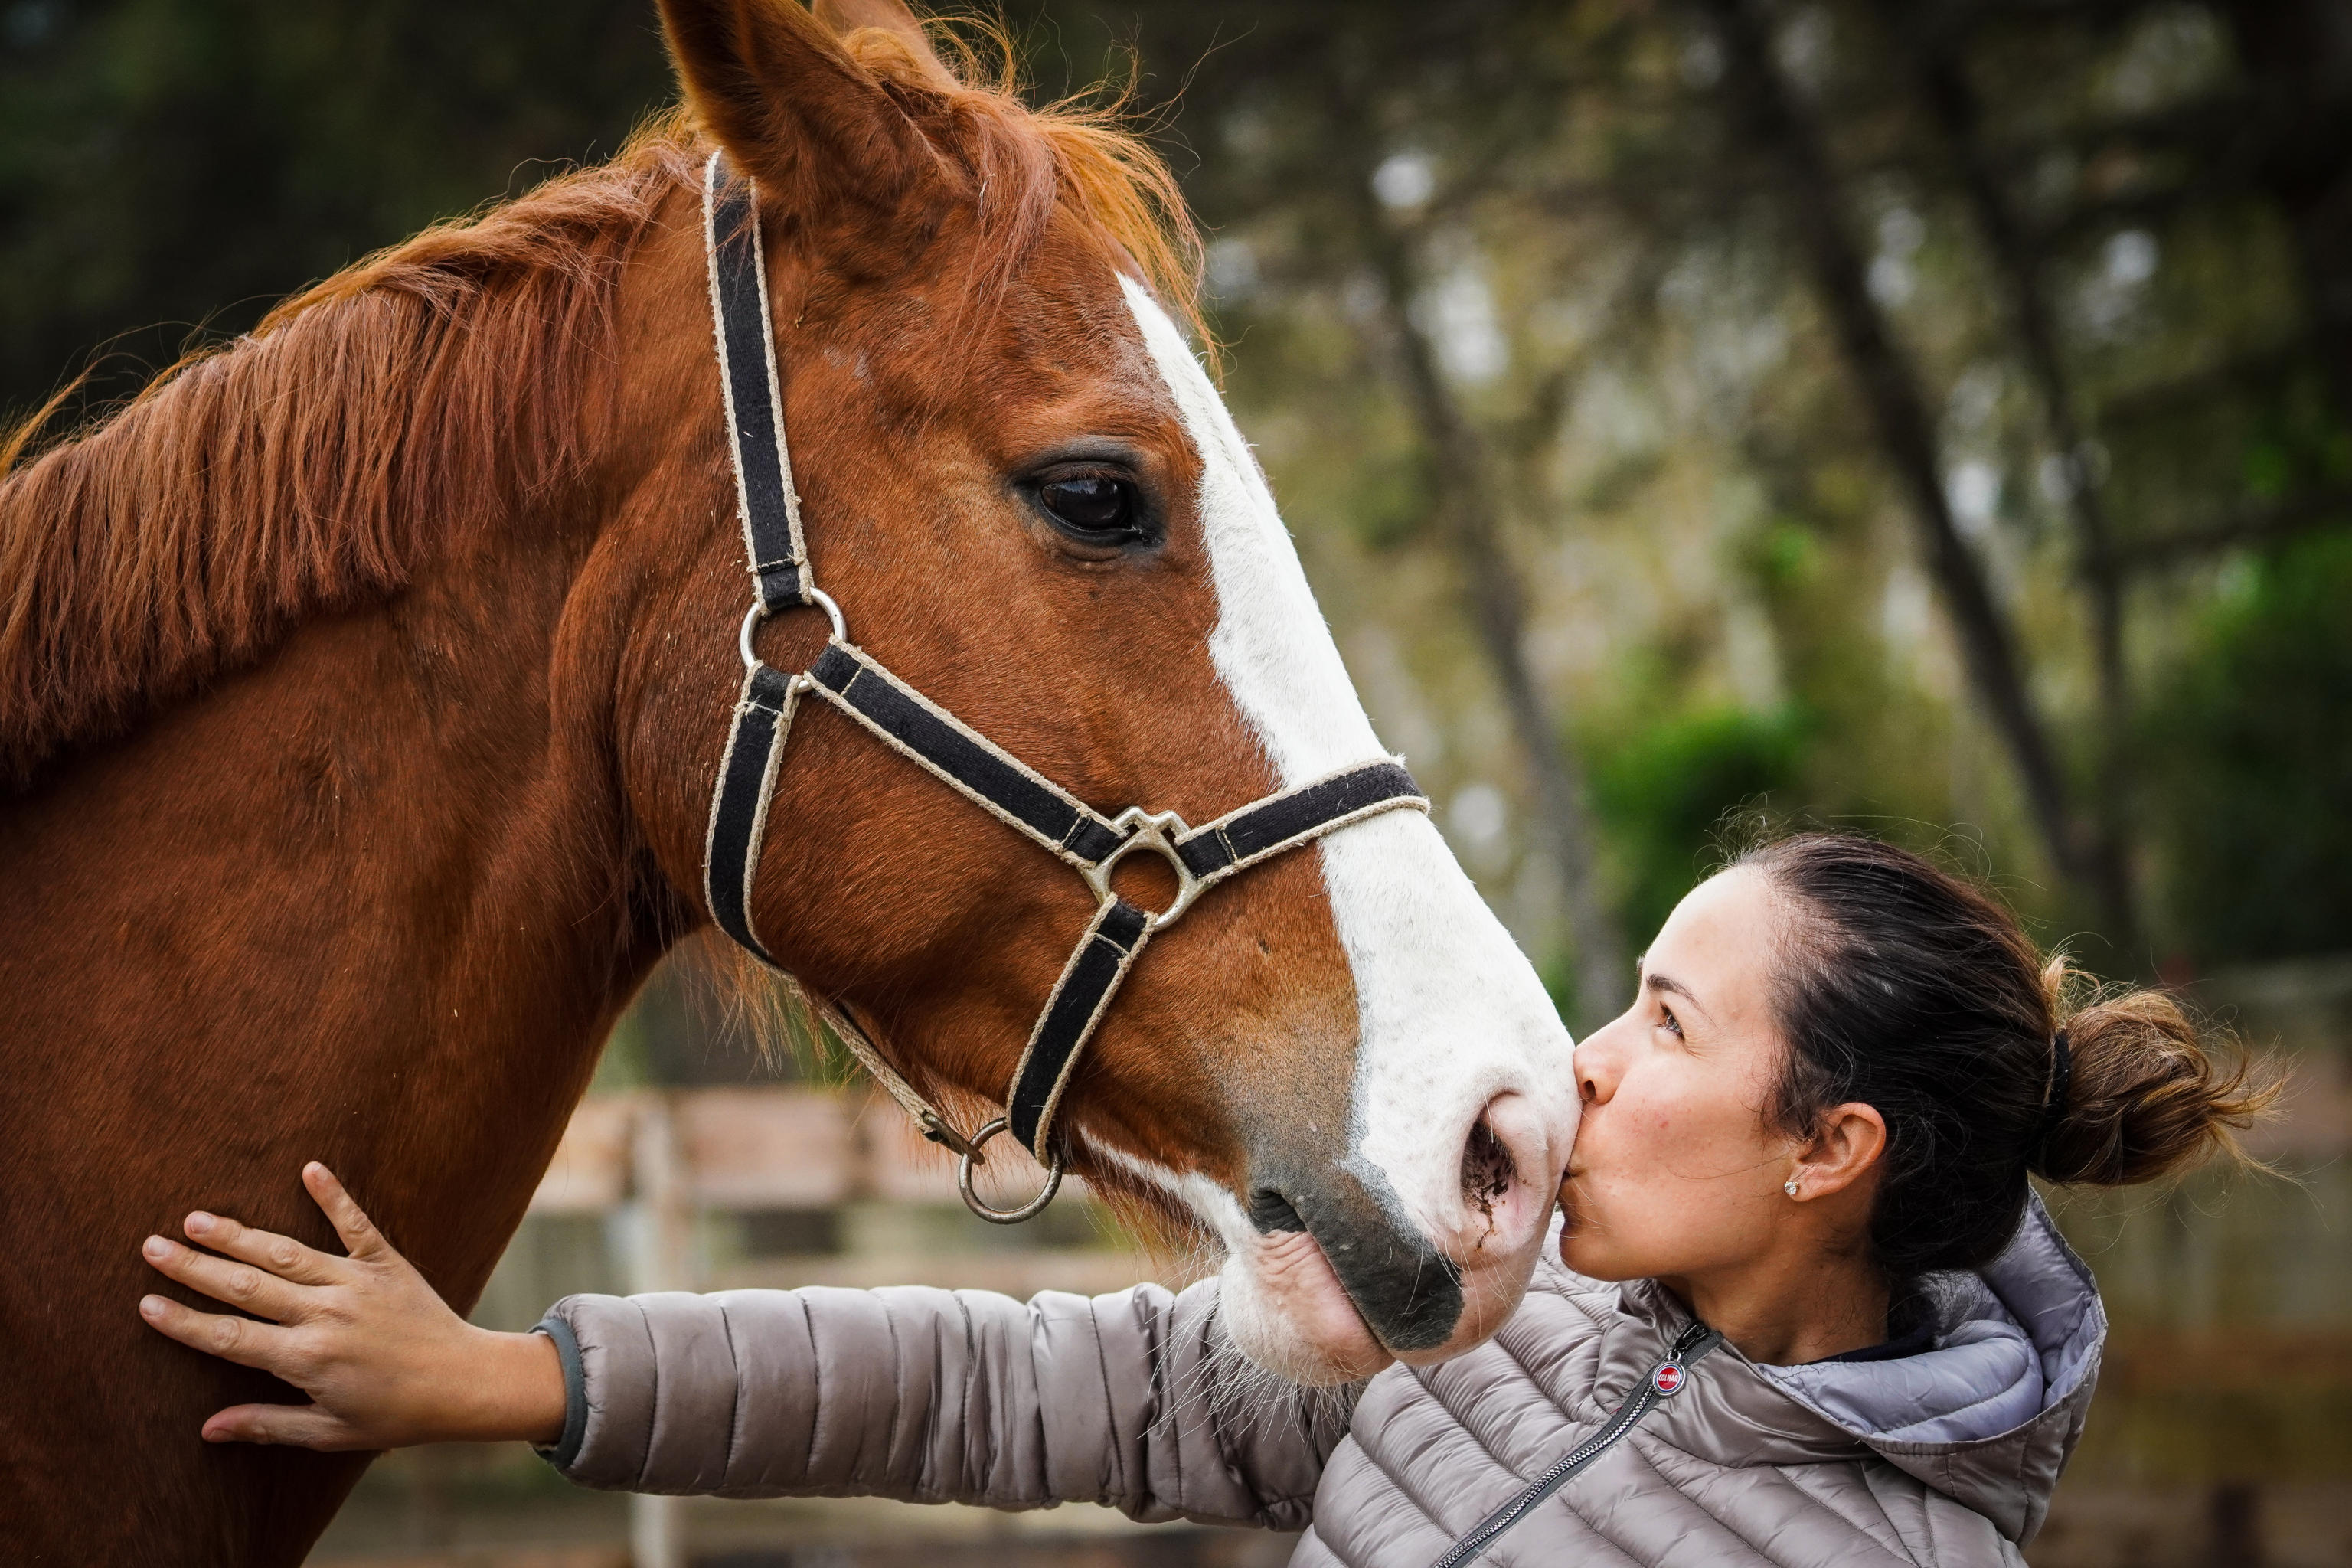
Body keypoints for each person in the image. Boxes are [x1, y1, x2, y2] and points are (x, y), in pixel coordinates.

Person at [139, 831, 2272, 1566]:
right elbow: (998, 1391)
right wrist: (509, 1380)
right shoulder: (1487, 1322)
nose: (1587, 1059)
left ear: (1830, 1153)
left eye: (1664, 1023)